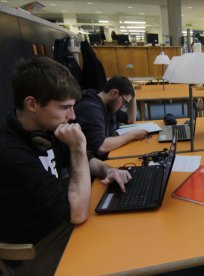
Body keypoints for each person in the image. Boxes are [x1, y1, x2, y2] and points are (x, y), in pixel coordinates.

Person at [0, 57, 132, 275]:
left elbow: (86, 162)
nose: (72, 116)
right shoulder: (10, 152)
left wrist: (108, 170)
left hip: (59, 219)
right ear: (32, 104)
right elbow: (78, 213)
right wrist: (78, 148)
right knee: (122, 250)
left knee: (124, 223)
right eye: (65, 107)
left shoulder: (46, 128)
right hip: (35, 248)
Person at [75, 75, 147, 160]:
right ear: (114, 93)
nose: (123, 106)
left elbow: (131, 120)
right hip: (96, 163)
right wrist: (132, 135)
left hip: (110, 155)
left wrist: (133, 95)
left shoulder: (108, 104)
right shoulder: (91, 110)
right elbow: (101, 147)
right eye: (123, 102)